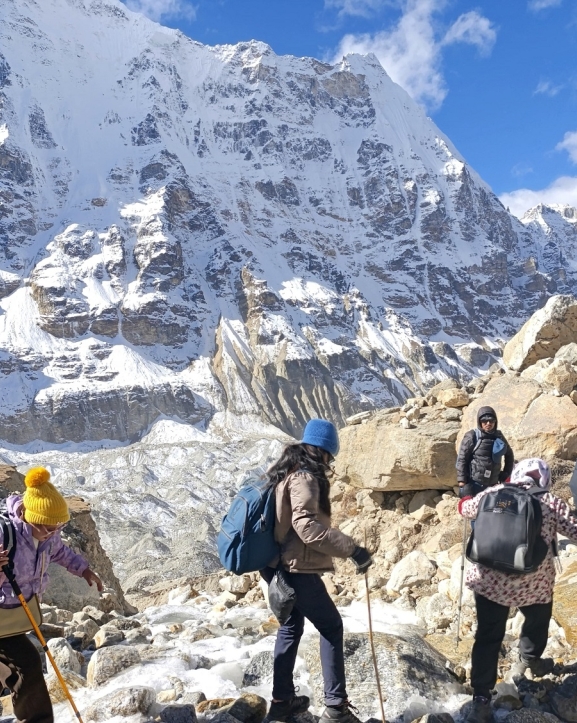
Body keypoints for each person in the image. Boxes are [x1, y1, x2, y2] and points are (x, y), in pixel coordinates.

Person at [260, 419, 373, 723]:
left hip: (277, 568)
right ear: (324, 452)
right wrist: (353, 550)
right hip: (295, 569)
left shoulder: (284, 472)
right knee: (331, 627)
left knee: (290, 628)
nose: (330, 464)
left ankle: (282, 704)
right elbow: (308, 528)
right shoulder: (305, 478)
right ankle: (336, 707)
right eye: (330, 458)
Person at [459, 458, 577, 723]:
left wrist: (463, 498)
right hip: (533, 584)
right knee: (537, 621)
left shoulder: (491, 493)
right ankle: (530, 661)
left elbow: (465, 509)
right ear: (542, 479)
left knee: (488, 637)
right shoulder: (551, 502)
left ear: (516, 475)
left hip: (488, 582)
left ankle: (481, 700)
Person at [0, 467, 103, 723]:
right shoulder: (4, 534)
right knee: (28, 664)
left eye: (58, 528)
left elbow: (61, 553)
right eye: (46, 528)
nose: (52, 533)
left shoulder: (47, 537)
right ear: (26, 516)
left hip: (14, 617)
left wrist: (85, 570)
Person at [456, 406, 514, 498]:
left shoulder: (499, 436)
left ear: (495, 422)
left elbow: (509, 455)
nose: (488, 423)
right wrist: (462, 481)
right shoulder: (472, 436)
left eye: (491, 420)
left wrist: (506, 473)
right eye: (484, 421)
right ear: (479, 422)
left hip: (493, 485)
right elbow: (462, 459)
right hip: (474, 483)